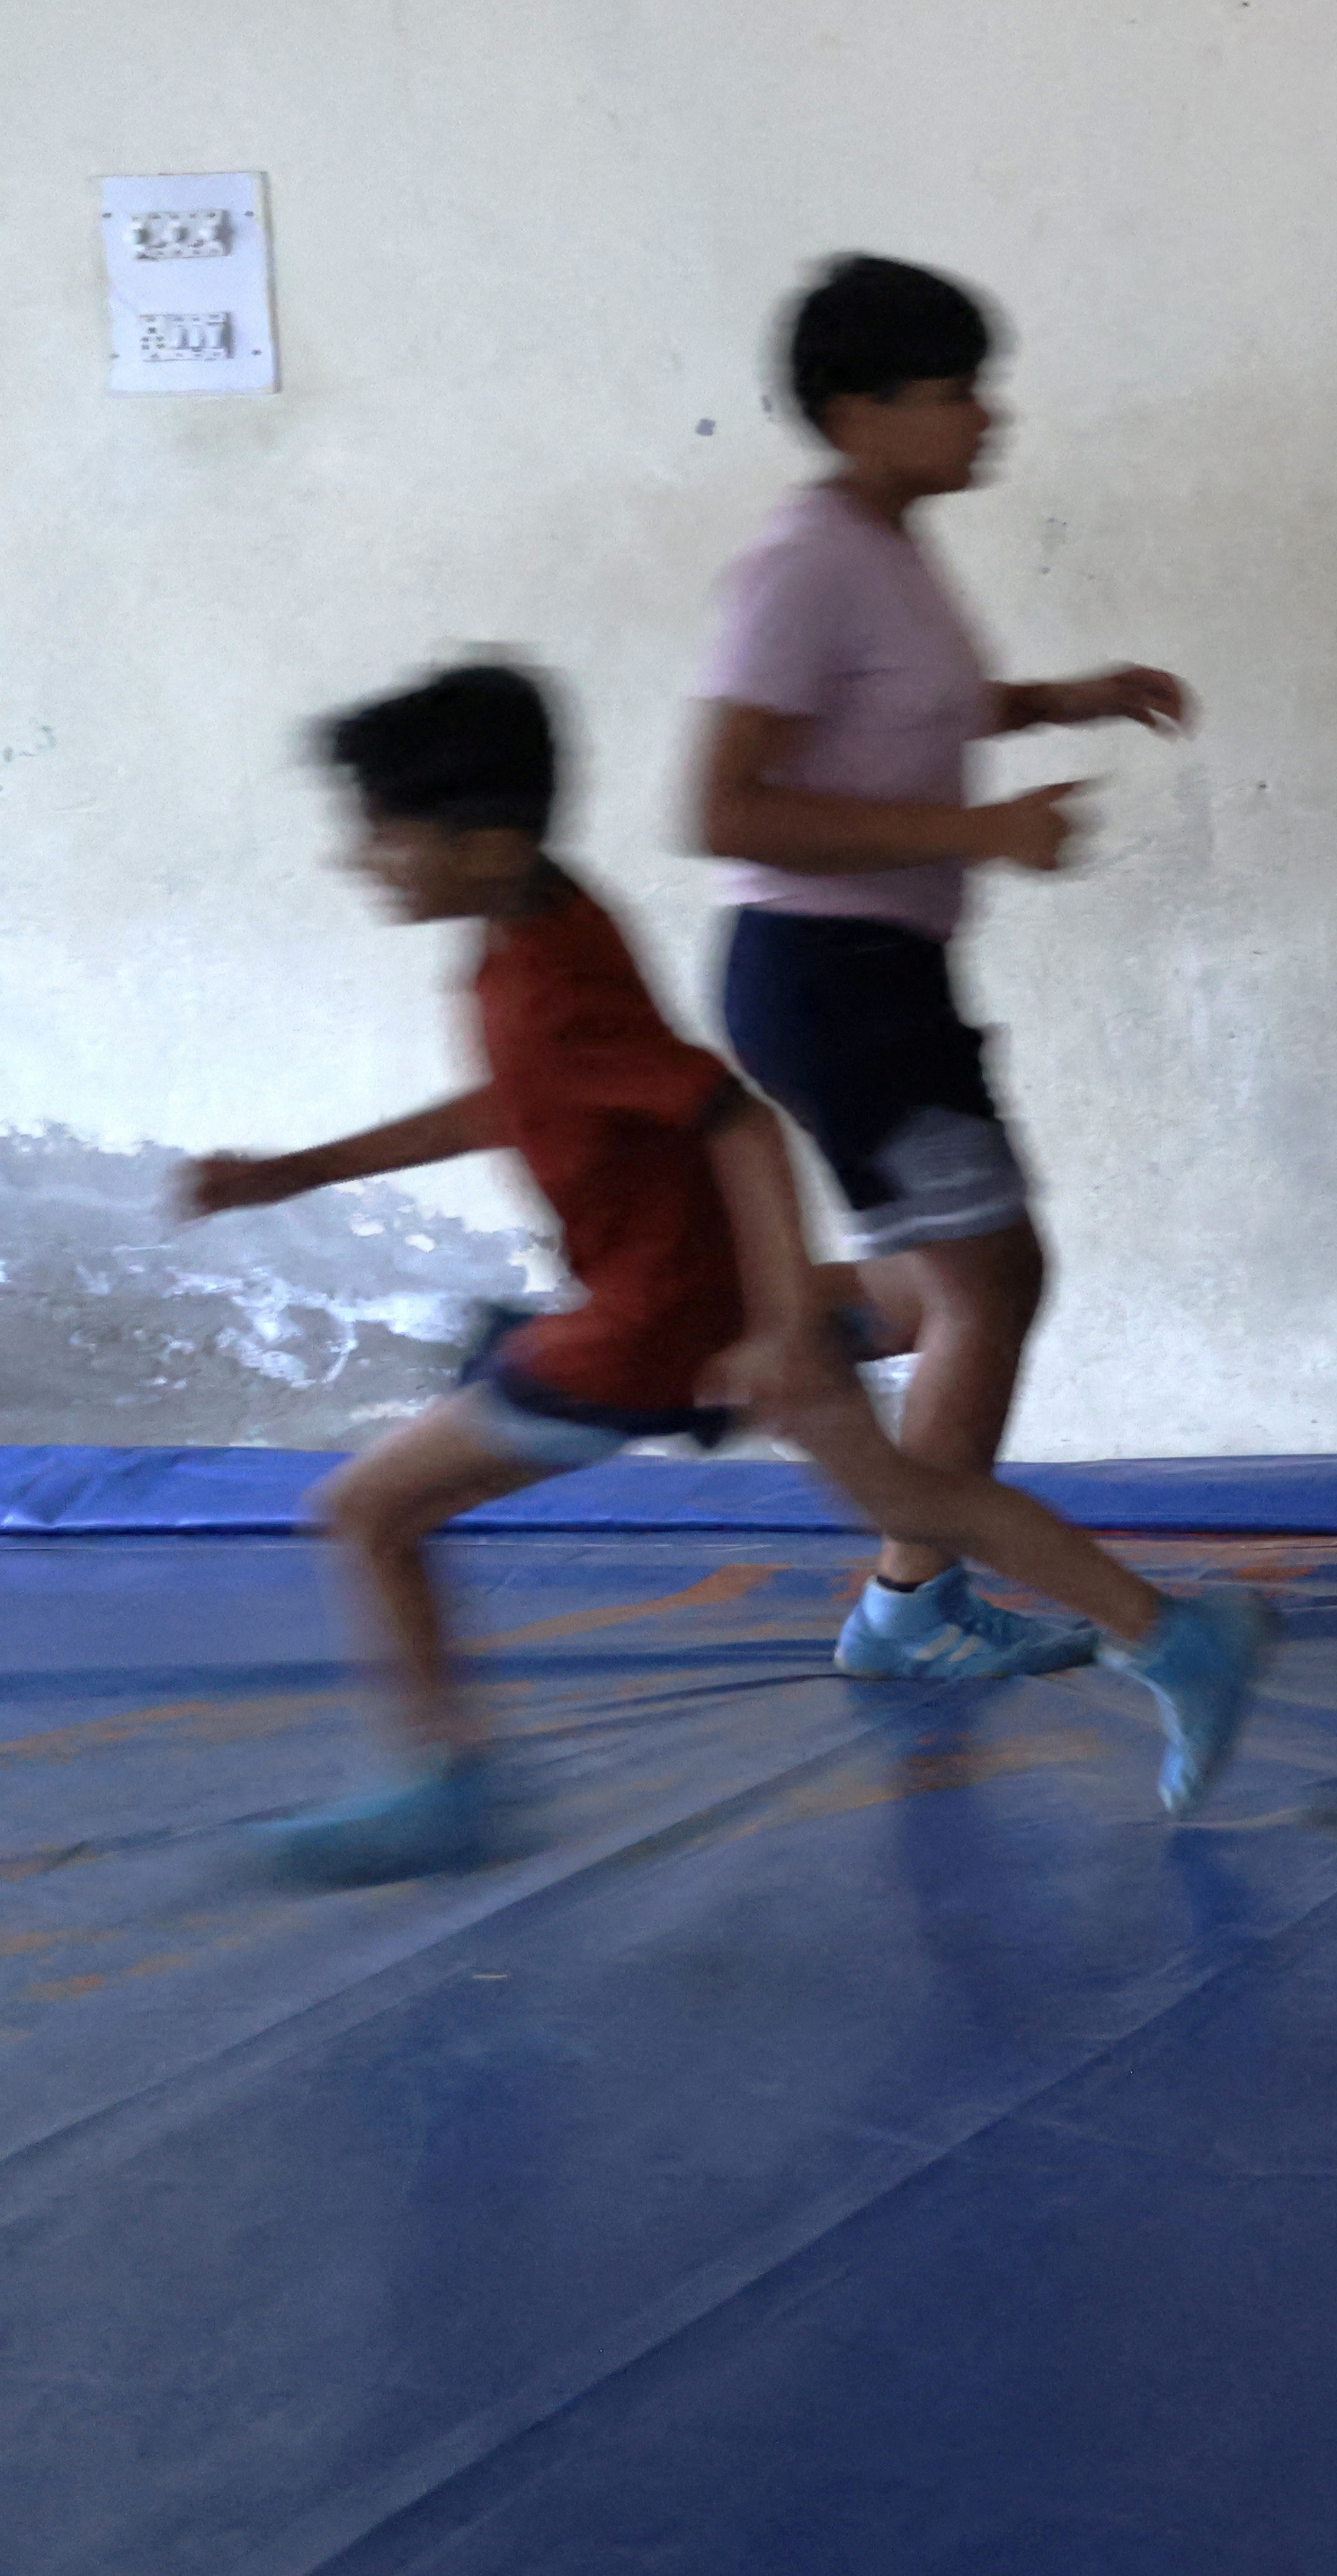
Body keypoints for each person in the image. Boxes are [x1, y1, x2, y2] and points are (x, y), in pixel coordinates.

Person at [174, 662, 1266, 1883]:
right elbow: (518, 1104)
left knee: (367, 1510)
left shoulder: (546, 979)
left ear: (483, 846)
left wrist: (789, 1321)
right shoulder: (540, 918)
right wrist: (298, 1172)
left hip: (651, 1331)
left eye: (384, 836)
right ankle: (1177, 1637)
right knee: (906, 1496)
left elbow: (730, 1118)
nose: (362, 860)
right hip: (693, 1299)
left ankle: (446, 1786)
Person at [683, 255, 1193, 1691]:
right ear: (857, 411)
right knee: (994, 1285)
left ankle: (705, 1344)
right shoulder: (803, 560)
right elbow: (722, 811)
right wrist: (980, 828)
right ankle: (911, 1602)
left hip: (874, 978)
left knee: (936, 1283)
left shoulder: (884, 548)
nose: (989, 414)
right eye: (955, 388)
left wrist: (1059, 701)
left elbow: (917, 713)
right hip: (830, 977)